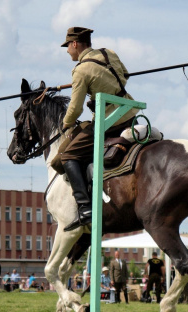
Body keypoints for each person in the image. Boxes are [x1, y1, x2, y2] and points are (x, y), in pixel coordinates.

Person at [59, 27, 139, 231]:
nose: (68, 50)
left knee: (67, 156)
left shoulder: (80, 70)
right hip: (129, 113)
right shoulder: (109, 53)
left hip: (109, 120)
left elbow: (75, 109)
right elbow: (125, 76)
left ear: (75, 44)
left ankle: (85, 208)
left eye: (67, 46)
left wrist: (65, 124)